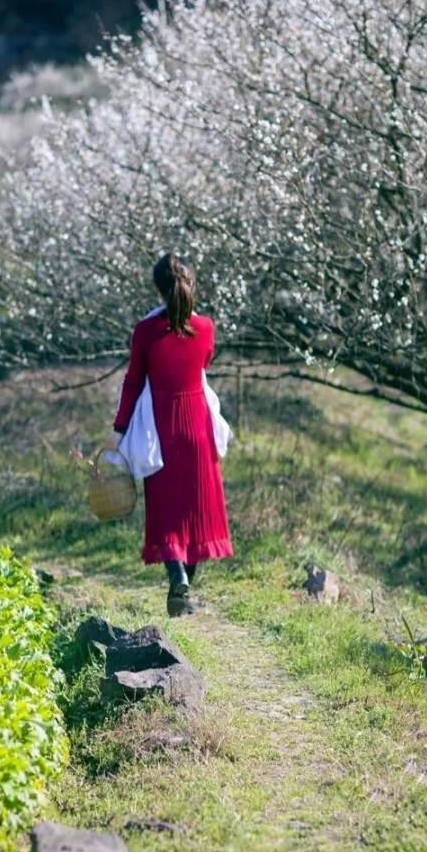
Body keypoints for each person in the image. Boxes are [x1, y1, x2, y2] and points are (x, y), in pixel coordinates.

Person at [110, 252, 233, 616]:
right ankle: (183, 589)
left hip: (160, 429)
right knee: (195, 512)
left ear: (157, 289)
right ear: (190, 285)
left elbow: (133, 383)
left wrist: (117, 431)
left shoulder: (145, 332)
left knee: (166, 512)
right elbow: (204, 361)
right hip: (197, 426)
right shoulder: (206, 328)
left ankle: (178, 576)